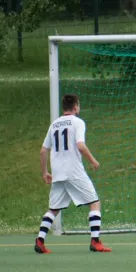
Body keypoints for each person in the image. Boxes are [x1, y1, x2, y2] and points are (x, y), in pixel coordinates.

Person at [35, 94, 111, 254]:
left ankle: (40, 241)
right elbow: (80, 145)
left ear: (63, 107)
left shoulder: (54, 124)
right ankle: (95, 241)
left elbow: (43, 151)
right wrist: (92, 160)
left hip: (58, 172)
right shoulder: (78, 122)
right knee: (94, 202)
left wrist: (45, 172)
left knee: (53, 209)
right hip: (74, 171)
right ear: (76, 107)